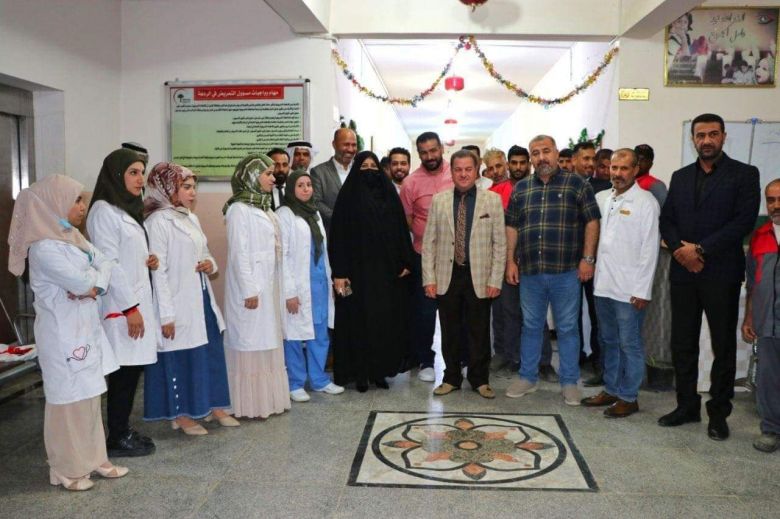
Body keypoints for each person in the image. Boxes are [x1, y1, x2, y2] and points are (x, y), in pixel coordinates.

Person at [8, 175, 128, 490]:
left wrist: (93, 282)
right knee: (67, 403)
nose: (82, 206)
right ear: (53, 205)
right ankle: (66, 469)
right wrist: (91, 281)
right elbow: (83, 283)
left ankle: (95, 459)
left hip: (84, 329)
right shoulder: (43, 249)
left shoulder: (72, 237)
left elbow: (106, 263)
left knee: (90, 397)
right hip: (62, 335)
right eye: (75, 200)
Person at [658, 113, 760, 441]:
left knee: (723, 345)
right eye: (700, 135)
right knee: (682, 343)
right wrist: (681, 251)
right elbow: (667, 220)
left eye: (713, 134)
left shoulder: (744, 174)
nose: (706, 140)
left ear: (723, 137)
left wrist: (700, 250)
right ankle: (687, 406)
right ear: (693, 139)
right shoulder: (680, 176)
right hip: (683, 273)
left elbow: (743, 221)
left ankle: (718, 413)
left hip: (721, 272)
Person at [505, 135, 601, 406]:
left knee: (568, 327)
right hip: (531, 272)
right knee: (531, 326)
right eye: (535, 153)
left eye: (546, 151)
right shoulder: (522, 188)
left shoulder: (577, 184)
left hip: (566, 271)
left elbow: (592, 221)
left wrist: (588, 259)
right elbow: (511, 225)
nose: (541, 157)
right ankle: (528, 377)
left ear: (557, 153)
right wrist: (510, 260)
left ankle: (569, 382)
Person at [143, 162, 237, 434]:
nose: (192, 192)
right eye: (186, 187)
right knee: (181, 357)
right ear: (166, 188)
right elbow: (158, 271)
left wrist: (210, 264)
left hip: (201, 297)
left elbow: (205, 253)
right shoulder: (157, 222)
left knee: (209, 353)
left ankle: (214, 405)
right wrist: (166, 314)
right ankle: (182, 415)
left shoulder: (189, 218)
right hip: (176, 301)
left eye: (194, 187)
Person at [86, 148, 158, 458]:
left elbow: (128, 256)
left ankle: (122, 429)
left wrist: (148, 259)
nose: (140, 179)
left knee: (131, 370)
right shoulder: (104, 211)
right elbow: (110, 264)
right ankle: (116, 435)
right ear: (116, 175)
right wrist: (130, 308)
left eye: (142, 172)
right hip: (121, 307)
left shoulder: (127, 209)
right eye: (133, 172)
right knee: (123, 374)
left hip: (135, 302)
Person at [581, 149, 660, 417]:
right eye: (614, 168)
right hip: (603, 285)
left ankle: (629, 396)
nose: (618, 173)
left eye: (624, 168)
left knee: (630, 344)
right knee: (608, 341)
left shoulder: (646, 203)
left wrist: (642, 290)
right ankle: (611, 389)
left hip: (629, 290)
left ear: (635, 170)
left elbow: (650, 250)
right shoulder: (602, 198)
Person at [422, 150, 506, 399]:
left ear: (477, 170)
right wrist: (429, 278)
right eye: (458, 169)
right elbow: (429, 242)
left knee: (479, 330)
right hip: (447, 275)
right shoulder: (439, 200)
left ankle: (480, 379)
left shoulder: (491, 200)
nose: (463, 174)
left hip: (479, 275)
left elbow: (500, 243)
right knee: (450, 330)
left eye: (468, 169)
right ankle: (451, 378)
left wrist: (495, 279)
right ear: (452, 171)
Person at [328, 151, 414, 391]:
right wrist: (339, 273)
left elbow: (400, 231)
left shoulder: (389, 196)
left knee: (382, 323)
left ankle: (379, 371)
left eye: (373, 166)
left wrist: (406, 262)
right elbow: (338, 237)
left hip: (385, 275)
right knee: (357, 323)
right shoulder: (347, 199)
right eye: (363, 166)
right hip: (354, 276)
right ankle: (359, 373)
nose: (369, 171)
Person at [222, 154, 292, 417]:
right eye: (267, 173)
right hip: (250, 290)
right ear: (251, 176)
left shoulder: (264, 207)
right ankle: (247, 405)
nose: (273, 178)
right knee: (249, 343)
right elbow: (238, 253)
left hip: (268, 285)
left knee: (267, 340)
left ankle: (268, 401)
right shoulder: (238, 209)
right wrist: (249, 289)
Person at [489, 146, 558, 381]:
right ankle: (511, 357)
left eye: (522, 162)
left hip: (534, 260)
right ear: (508, 165)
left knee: (535, 313)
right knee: (507, 311)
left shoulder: (540, 187)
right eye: (514, 163)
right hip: (505, 259)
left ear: (528, 163)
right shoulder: (495, 192)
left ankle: (544, 362)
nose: (518, 167)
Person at [277, 169, 344, 402]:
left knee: (320, 332)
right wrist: (289, 292)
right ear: (291, 189)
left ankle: (319, 379)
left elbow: (322, 250)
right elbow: (283, 256)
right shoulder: (285, 214)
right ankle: (295, 383)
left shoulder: (314, 212)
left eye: (308, 185)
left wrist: (330, 280)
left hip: (319, 283)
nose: (306, 189)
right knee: (294, 336)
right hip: (298, 285)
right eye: (300, 185)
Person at [401, 132, 453, 382]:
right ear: (418, 154)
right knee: (425, 312)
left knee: (455, 309)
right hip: (424, 256)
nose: (430, 156)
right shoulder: (411, 183)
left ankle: (459, 360)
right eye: (424, 152)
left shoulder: (456, 173)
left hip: (455, 255)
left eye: (433, 150)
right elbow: (408, 220)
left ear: (441, 148)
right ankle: (426, 361)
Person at [743, 179, 780, 452]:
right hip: (767, 321)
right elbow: (752, 282)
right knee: (769, 377)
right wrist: (749, 317)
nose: (776, 205)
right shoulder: (760, 235)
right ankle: (771, 429)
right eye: (771, 200)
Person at [633, 144, 673, 377]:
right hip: (629, 257)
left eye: (643, 159)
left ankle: (655, 365)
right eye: (636, 159)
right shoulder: (627, 185)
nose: (639, 163)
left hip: (654, 255)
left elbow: (665, 219)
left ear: (650, 163)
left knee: (652, 313)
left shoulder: (654, 186)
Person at [310, 128, 357, 233]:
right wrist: (340, 218)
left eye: (354, 145)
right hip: (332, 233)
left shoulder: (360, 170)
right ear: (334, 144)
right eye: (346, 144)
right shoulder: (318, 172)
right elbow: (316, 202)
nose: (350, 149)